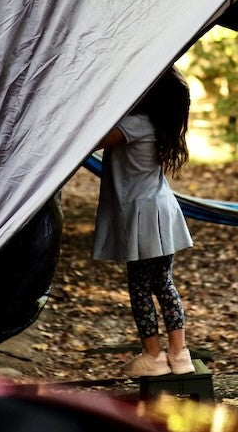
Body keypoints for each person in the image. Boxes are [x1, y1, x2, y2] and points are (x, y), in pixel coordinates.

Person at [92, 67, 195, 377]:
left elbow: (94, 140)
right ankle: (179, 355)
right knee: (163, 283)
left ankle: (152, 355)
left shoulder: (133, 125)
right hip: (162, 209)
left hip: (143, 216)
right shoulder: (158, 127)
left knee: (139, 287)